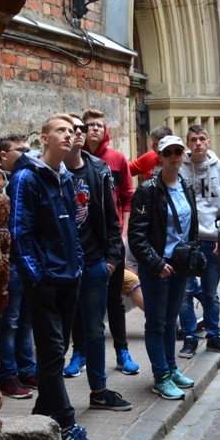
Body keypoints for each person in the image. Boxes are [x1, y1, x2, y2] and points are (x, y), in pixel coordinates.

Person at [9, 115, 99, 440]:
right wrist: (36, 276)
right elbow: (19, 233)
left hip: (69, 277)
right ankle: (66, 423)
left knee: (56, 351)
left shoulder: (66, 178)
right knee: (50, 351)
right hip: (44, 281)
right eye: (61, 130)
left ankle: (42, 414)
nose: (69, 135)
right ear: (44, 139)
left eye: (72, 131)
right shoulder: (27, 178)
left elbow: (72, 228)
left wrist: (77, 265)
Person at [61, 116, 132, 412]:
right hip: (60, 268)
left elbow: (112, 219)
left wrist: (111, 262)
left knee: (94, 330)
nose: (79, 132)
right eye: (72, 128)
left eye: (81, 127)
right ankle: (53, 400)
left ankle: (99, 392)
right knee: (57, 334)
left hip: (94, 265)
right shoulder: (49, 172)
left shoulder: (99, 169)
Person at [128, 135, 201, 400]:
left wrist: (192, 253)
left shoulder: (186, 185)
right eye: (167, 152)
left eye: (177, 152)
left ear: (183, 155)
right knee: (156, 323)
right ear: (159, 157)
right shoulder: (148, 190)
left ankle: (171, 368)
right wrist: (156, 263)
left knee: (171, 321)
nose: (173, 157)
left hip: (179, 266)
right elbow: (136, 236)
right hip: (158, 268)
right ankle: (161, 377)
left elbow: (192, 226)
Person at [80, 110, 139, 376]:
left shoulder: (117, 159)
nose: (94, 129)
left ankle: (122, 352)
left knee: (114, 299)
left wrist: (123, 233)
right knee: (80, 300)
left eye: (99, 125)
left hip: (112, 238)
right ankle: (79, 352)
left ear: (106, 131)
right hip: (85, 239)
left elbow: (127, 197)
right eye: (89, 125)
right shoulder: (75, 160)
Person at [177, 125, 220, 359]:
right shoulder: (180, 168)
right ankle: (190, 337)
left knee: (210, 293)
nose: (198, 143)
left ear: (209, 142)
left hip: (213, 240)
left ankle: (213, 336)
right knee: (185, 293)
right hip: (187, 241)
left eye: (202, 139)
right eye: (193, 139)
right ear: (188, 144)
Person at [0, 134, 36, 400]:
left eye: (29, 150)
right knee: (8, 322)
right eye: (21, 151)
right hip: (8, 262)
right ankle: (8, 375)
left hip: (27, 261)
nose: (27, 156)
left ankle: (27, 370)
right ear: (3, 155)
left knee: (26, 321)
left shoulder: (28, 178)